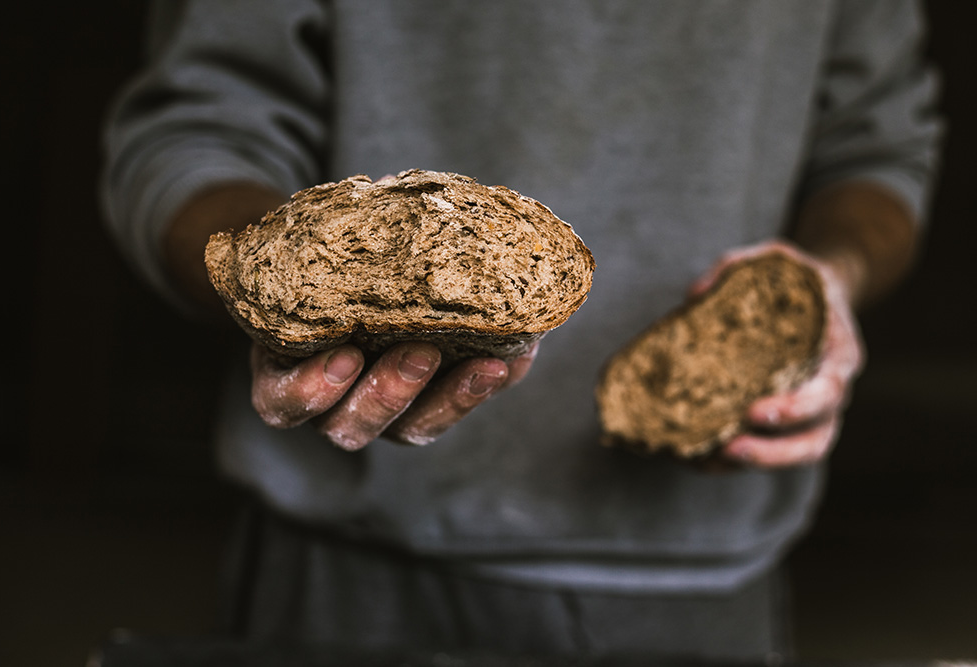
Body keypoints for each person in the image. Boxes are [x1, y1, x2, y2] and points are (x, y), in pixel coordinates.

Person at [102, 0, 941, 660]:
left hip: (697, 573)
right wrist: (270, 279)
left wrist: (829, 279)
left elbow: (877, 149)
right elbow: (190, 132)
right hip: (343, 562)